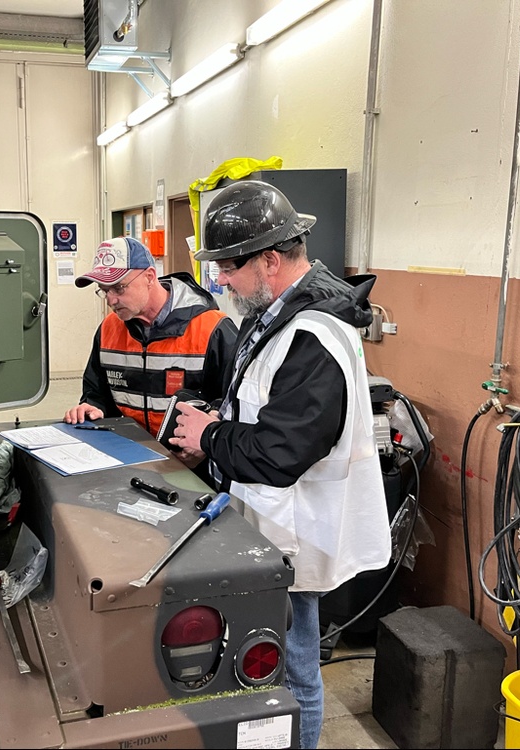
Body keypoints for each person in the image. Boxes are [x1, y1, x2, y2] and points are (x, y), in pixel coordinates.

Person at [168, 181, 391, 749]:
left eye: (228, 266)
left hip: (297, 530)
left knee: (293, 674)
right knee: (263, 667)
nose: (218, 279)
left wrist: (212, 434)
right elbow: (258, 407)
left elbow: (279, 452)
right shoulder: (272, 316)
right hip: (268, 523)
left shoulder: (315, 334)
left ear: (269, 259)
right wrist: (212, 439)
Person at [65, 236, 238, 452]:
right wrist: (92, 408)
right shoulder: (109, 329)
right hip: (131, 455)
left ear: (149, 276)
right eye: (104, 290)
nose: (110, 301)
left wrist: (205, 443)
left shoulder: (212, 328)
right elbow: (96, 394)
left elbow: (234, 404)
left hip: (195, 464)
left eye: (118, 288)